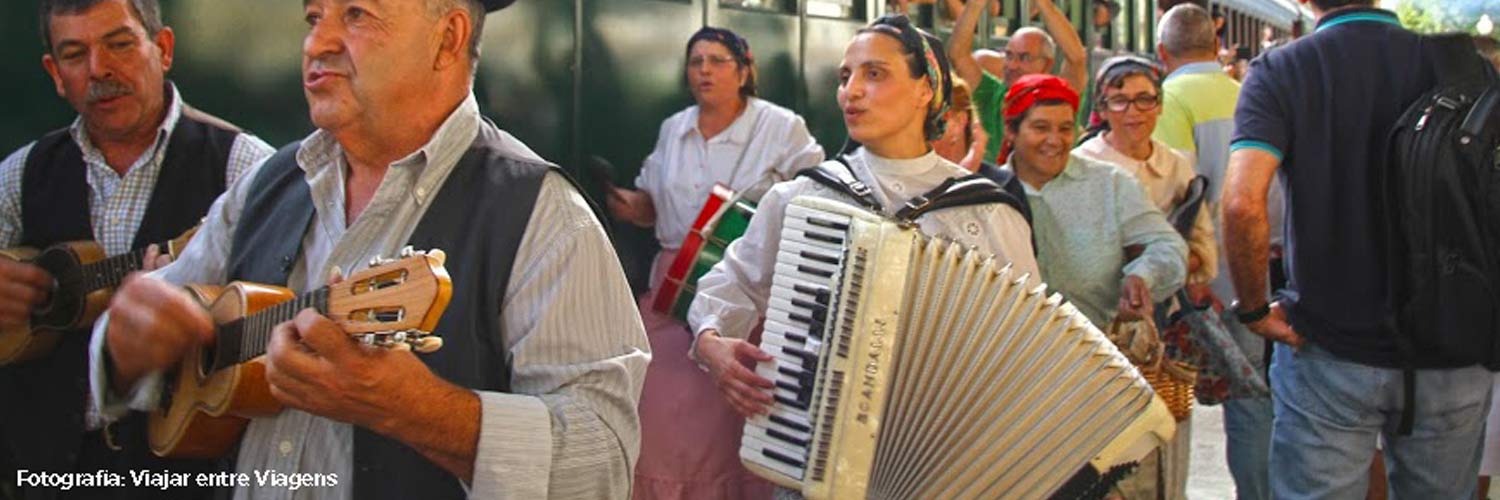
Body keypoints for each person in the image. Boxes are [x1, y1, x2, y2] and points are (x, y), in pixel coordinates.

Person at [89, 1, 650, 498]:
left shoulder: (543, 215)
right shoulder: (265, 185)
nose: (317, 42)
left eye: (356, 14)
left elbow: (602, 467)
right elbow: (154, 331)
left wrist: (422, 413)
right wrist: (125, 340)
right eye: (314, 17)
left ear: (449, 37)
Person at [688, 15, 1038, 429]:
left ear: (926, 89)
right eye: (844, 76)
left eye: (874, 74)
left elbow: (1027, 343)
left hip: (948, 449)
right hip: (811, 437)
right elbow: (734, 281)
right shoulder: (802, 198)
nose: (850, 92)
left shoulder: (987, 211)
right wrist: (710, 341)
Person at [0, 0, 274, 497]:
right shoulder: (21, 175)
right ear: (55, 73)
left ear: (163, 48)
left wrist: (203, 302)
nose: (99, 69)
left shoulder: (247, 168)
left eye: (120, 44)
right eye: (74, 54)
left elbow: (284, 308)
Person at [1222, 0, 1493, 498]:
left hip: (1330, 344)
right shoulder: (1464, 65)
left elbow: (1241, 204)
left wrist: (1255, 308)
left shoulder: (1282, 70)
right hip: (1452, 342)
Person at [605, 26, 823, 500]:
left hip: (747, 299)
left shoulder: (781, 127)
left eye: (718, 60)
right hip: (671, 291)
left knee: (736, 416)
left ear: (745, 70)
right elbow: (651, 208)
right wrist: (626, 203)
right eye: (696, 61)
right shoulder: (673, 128)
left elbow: (818, 201)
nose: (704, 70)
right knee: (656, 407)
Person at [1153, 7, 1282, 498]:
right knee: (1252, 400)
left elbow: (1173, 195)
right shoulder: (1252, 92)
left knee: (1170, 396)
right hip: (1255, 272)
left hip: (1199, 281)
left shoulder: (1169, 100)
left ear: (1163, 54)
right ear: (1215, 44)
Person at [1072, 57, 1208, 500]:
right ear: (1103, 107)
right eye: (1121, 101)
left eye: (1145, 99)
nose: (1134, 112)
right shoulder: (1082, 166)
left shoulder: (1179, 166)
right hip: (1098, 330)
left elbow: (1203, 251)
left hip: (1162, 326)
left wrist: (1159, 262)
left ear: (1160, 104)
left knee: (1164, 436)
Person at [948, 0, 1088, 163]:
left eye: (1024, 58)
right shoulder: (991, 93)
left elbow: (1076, 58)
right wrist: (975, 5)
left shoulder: (1059, 100)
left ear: (1047, 64)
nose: (1012, 65)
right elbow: (958, 55)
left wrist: (1044, 5)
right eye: (1009, 55)